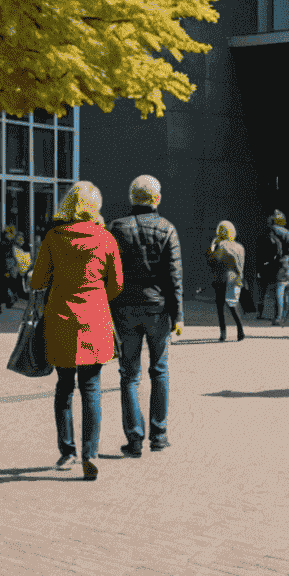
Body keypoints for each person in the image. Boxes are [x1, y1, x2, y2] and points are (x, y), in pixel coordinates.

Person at [31, 181, 124, 478]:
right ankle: (90, 453)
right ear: (94, 206)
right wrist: (96, 294)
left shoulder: (54, 237)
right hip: (94, 319)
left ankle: (66, 451)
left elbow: (37, 281)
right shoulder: (105, 238)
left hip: (60, 318)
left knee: (64, 387)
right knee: (92, 388)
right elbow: (117, 284)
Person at [108, 174, 184, 457]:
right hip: (158, 308)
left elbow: (107, 271)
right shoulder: (167, 229)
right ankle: (159, 435)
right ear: (157, 198)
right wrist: (178, 316)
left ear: (132, 198)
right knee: (159, 370)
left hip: (124, 309)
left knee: (129, 375)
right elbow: (174, 276)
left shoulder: (115, 228)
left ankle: (135, 438)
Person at [206, 221, 248, 341]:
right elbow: (241, 265)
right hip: (235, 279)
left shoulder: (220, 245)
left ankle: (223, 334)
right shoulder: (240, 247)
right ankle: (240, 331)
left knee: (220, 307)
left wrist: (212, 247)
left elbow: (213, 261)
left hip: (221, 278)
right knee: (233, 305)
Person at [257, 212, 289, 324]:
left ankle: (260, 313)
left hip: (268, 265)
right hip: (283, 265)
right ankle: (280, 316)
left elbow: (260, 251)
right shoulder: (287, 233)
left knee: (263, 288)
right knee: (281, 289)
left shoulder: (266, 232)